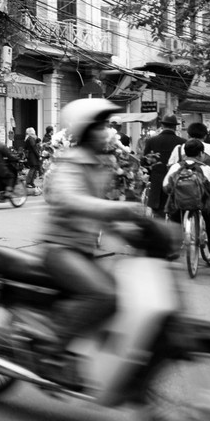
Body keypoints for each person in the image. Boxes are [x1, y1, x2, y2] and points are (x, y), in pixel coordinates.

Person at [39, 99, 174, 387]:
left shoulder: (100, 165)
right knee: (104, 295)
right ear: (86, 131)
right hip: (61, 249)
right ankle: (52, 352)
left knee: (123, 296)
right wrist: (121, 209)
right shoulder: (71, 163)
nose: (107, 132)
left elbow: (101, 215)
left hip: (84, 249)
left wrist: (136, 233)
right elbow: (72, 201)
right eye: (100, 126)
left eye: (107, 126)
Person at [162, 139, 210, 269]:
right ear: (201, 154)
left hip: (179, 204)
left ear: (184, 152)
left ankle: (171, 249)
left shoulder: (176, 167)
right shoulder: (205, 168)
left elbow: (166, 187)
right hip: (201, 203)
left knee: (174, 219)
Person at [142, 114, 185, 218]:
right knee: (175, 212)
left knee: (158, 212)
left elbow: (144, 161)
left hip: (157, 181)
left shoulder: (151, 141)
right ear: (175, 127)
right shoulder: (182, 142)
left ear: (162, 125)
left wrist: (149, 174)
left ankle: (161, 231)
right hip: (175, 181)